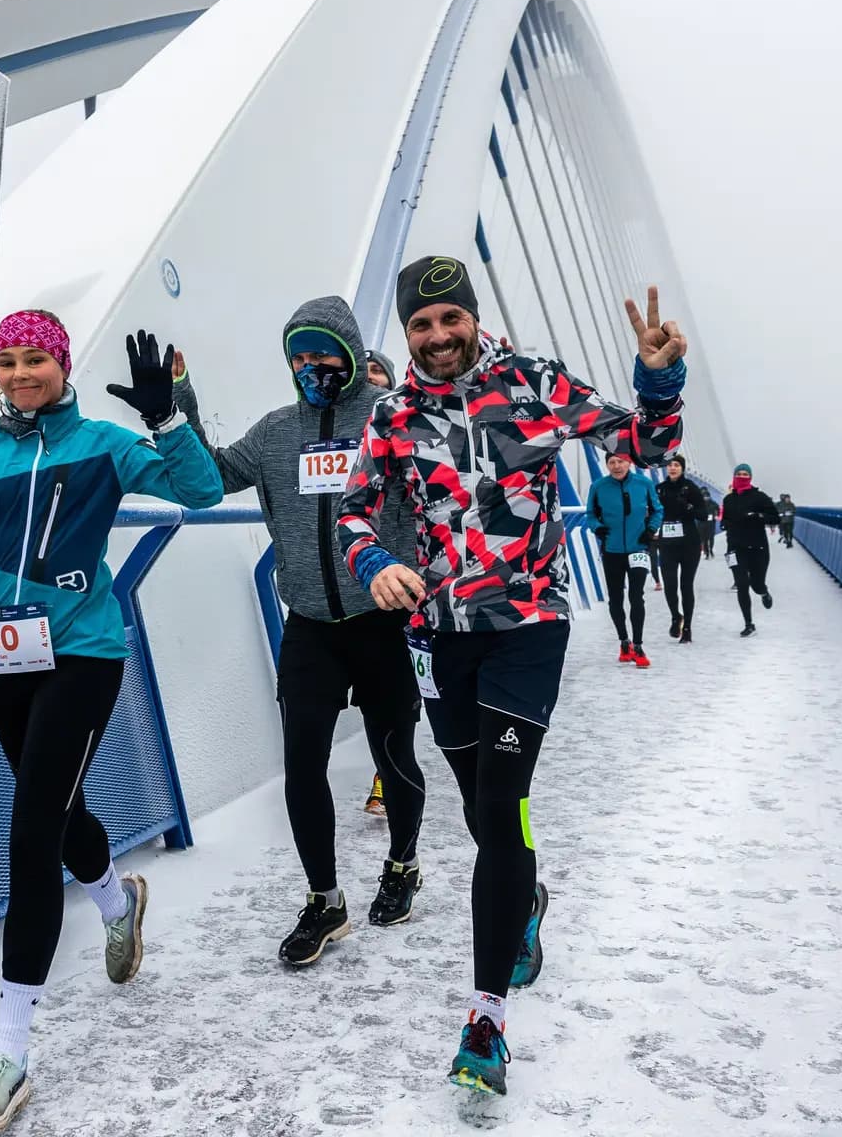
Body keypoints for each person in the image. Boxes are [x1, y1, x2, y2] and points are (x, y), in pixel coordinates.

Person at [337, 256, 687, 1095]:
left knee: (502, 802)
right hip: (439, 633)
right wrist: (376, 558)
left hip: (528, 624)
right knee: (480, 806)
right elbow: (350, 510)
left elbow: (637, 445)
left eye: (448, 319)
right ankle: (523, 900)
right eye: (421, 325)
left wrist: (659, 380)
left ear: (471, 317)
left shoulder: (534, 383)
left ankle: (486, 1018)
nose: (437, 336)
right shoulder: (391, 414)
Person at [0, 311, 222, 1131]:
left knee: (31, 832)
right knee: (56, 813)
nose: (20, 372)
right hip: (2, 657)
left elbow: (199, 492)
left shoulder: (102, 443)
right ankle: (117, 902)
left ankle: (9, 1052)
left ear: (62, 365)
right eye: (7, 360)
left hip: (84, 653)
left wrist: (166, 415)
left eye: (35, 358)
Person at [171, 300, 428, 966]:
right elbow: (209, 482)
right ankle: (325, 900)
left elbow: (442, 484)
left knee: (394, 753)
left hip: (383, 618)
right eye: (299, 355)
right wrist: (176, 411)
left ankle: (402, 864)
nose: (310, 366)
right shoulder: (278, 430)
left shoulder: (389, 415)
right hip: (310, 625)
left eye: (322, 353)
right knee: (303, 763)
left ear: (348, 351)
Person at [585, 450, 662, 667]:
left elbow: (658, 510)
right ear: (607, 465)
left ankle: (638, 645)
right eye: (612, 462)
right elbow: (590, 514)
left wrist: (651, 529)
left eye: (620, 462)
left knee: (637, 597)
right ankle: (624, 642)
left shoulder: (643, 484)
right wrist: (597, 528)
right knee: (616, 598)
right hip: (612, 549)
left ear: (629, 463)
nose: (616, 466)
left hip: (638, 548)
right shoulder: (598, 487)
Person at [363, 348, 398, 816]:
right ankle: (384, 778)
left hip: (413, 586)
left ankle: (388, 778)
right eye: (364, 370)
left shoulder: (410, 428)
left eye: (379, 372)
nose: (371, 380)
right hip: (365, 587)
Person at [719, 462, 780, 637]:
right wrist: (726, 525)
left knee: (756, 584)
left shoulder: (759, 497)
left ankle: (764, 592)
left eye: (746, 474)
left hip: (758, 548)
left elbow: (775, 518)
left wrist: (758, 516)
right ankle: (749, 623)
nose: (742, 476)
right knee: (742, 584)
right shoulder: (728, 500)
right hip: (736, 548)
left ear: (751, 477)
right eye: (740, 473)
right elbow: (724, 520)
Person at [655, 456, 710, 643]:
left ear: (682, 468)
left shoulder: (691, 488)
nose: (672, 468)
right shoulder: (659, 489)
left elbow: (703, 515)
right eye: (670, 465)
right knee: (670, 585)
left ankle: (687, 629)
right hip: (667, 544)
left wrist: (689, 507)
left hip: (689, 544)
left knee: (686, 586)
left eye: (676, 465)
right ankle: (675, 617)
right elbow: (651, 511)